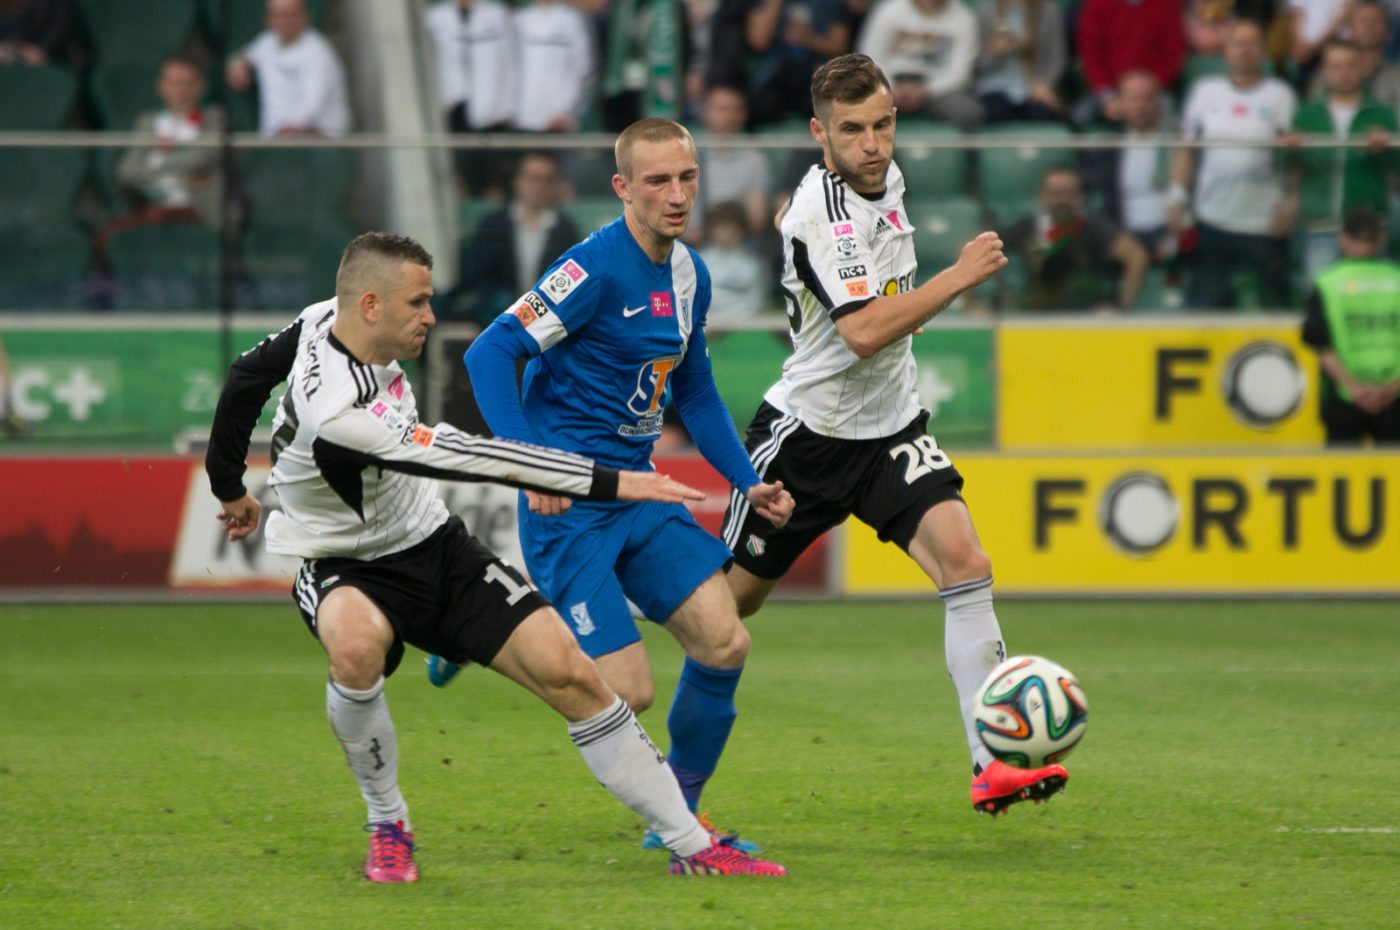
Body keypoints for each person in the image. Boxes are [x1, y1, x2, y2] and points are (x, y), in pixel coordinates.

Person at [204, 231, 786, 882]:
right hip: (342, 563)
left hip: (435, 545)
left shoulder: (320, 316)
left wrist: (229, 486)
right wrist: (613, 480)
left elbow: (247, 375)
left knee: (574, 675)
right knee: (356, 646)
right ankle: (387, 821)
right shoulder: (338, 410)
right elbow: (462, 453)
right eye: (420, 303)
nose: (432, 316)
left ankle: (692, 846)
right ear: (371, 305)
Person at [719, 52, 1067, 816]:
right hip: (807, 437)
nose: (872, 144)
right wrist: (960, 273)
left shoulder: (886, 179)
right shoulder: (823, 213)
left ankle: (994, 762)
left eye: (881, 125)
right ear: (819, 133)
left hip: (889, 430)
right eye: (851, 131)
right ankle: (577, 601)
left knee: (966, 562)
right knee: (722, 609)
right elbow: (865, 333)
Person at [434, 118, 796, 852]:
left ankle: (680, 819)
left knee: (725, 640)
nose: (676, 194)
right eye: (657, 180)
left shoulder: (691, 271)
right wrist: (531, 464)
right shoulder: (589, 268)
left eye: (686, 178)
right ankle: (483, 626)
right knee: (627, 691)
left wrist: (748, 482)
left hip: (639, 491)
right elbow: (489, 351)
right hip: (568, 503)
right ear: (622, 188)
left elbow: (693, 388)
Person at [1170, 18, 1297, 309]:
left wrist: (1290, 204)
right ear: (1226, 50)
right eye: (1237, 43)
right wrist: (1176, 196)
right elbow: (1185, 149)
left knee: (1274, 305)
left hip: (1264, 221)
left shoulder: (1281, 94)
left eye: (1252, 44)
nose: (1245, 50)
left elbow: (1293, 157)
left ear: (1263, 50)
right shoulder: (1205, 91)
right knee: (1207, 305)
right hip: (1212, 217)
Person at [1285, 39, 1398, 282]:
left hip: (1368, 230)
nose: (1343, 73)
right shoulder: (1307, 114)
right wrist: (1291, 149)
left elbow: (1396, 169)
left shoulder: (1383, 114)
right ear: (1324, 71)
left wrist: (1387, 148)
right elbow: (1286, 166)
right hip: (1320, 225)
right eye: (1335, 66)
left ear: (1362, 68)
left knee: (1371, 301)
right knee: (1319, 302)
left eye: (1350, 65)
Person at [97, 56, 226, 257]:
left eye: (187, 83)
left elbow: (203, 158)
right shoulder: (148, 122)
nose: (180, 90)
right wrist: (180, 168)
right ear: (161, 87)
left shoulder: (215, 118)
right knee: (108, 237)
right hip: (153, 205)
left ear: (200, 87)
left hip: (198, 208)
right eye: (173, 83)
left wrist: (155, 158)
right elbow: (127, 171)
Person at [441, 151, 582, 323]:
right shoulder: (492, 224)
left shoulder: (567, 230)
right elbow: (478, 275)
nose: (539, 186)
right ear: (518, 181)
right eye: (534, 178)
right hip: (497, 316)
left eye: (546, 180)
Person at [1301, 207, 1400, 444]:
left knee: (1339, 474)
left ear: (1342, 239)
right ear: (1381, 238)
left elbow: (1320, 344)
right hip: (1395, 397)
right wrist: (1391, 387)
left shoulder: (1328, 283)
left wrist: (1354, 388)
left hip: (1344, 396)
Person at [1001, 165, 1150, 311]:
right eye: (1056, 193)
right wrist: (980, 306)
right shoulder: (1027, 228)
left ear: (1080, 196)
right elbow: (984, 247)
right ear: (1042, 195)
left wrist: (1120, 308)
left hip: (1086, 318)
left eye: (1070, 193)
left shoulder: (1094, 227)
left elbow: (1137, 256)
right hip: (1036, 317)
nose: (1063, 200)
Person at [423, 0, 517, 197]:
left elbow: (510, 62)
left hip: (492, 107)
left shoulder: (496, 14)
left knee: (494, 174)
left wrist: (509, 106)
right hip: (452, 104)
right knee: (458, 171)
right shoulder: (435, 17)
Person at [225, 0, 351, 138]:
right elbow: (244, 58)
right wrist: (238, 66)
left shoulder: (318, 51)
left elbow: (314, 103)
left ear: (306, 17)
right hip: (273, 137)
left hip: (316, 138)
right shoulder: (266, 42)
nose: (286, 21)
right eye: (279, 15)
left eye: (292, 14)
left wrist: (291, 128)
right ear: (268, 19)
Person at [856, 0, 984, 131]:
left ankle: (964, 151)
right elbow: (870, 60)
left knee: (968, 111)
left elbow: (961, 75)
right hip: (890, 85)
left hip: (937, 92)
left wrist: (926, 91)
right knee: (857, 106)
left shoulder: (963, 18)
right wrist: (890, 88)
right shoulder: (889, 10)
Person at [1074, 0, 1185, 127]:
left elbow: (1173, 54)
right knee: (1079, 117)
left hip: (1155, 90)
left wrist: (1145, 90)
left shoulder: (1167, 4)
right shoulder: (1097, 4)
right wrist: (1108, 96)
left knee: (1173, 121)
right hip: (1110, 90)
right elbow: (1091, 55)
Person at [973, 0, 1067, 124]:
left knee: (1043, 114)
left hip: (1034, 85)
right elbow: (977, 65)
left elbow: (1057, 58)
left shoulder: (1048, 10)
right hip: (994, 86)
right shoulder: (986, 11)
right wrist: (995, 52)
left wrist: (1046, 84)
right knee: (994, 113)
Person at [698, 200, 771, 322]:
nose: (722, 232)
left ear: (740, 230)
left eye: (727, 227)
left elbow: (757, 302)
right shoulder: (699, 261)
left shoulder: (755, 265)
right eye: (718, 227)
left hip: (744, 329)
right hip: (708, 328)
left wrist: (730, 319)